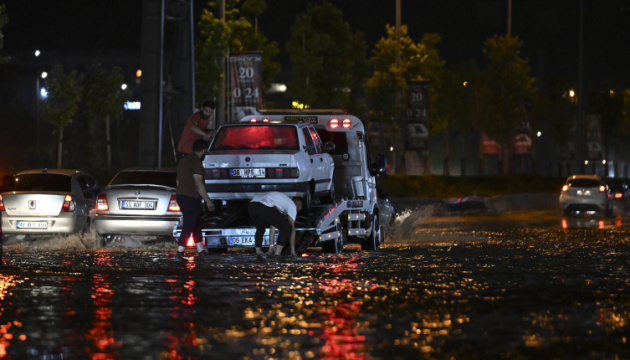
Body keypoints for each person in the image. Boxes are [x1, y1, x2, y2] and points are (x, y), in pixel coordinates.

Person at [172, 139, 214, 262]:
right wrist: (208, 201)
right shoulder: (196, 163)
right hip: (191, 197)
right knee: (190, 224)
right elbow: (198, 184)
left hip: (181, 196)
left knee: (196, 224)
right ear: (203, 151)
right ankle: (179, 252)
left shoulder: (183, 161)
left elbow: (178, 182)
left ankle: (201, 251)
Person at [248, 192, 301, 256]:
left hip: (252, 205)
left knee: (260, 229)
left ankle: (258, 251)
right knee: (285, 228)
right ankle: (277, 254)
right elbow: (293, 229)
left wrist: (271, 244)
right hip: (265, 205)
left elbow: (273, 225)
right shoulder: (292, 205)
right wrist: (292, 250)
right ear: (297, 204)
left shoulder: (281, 202)